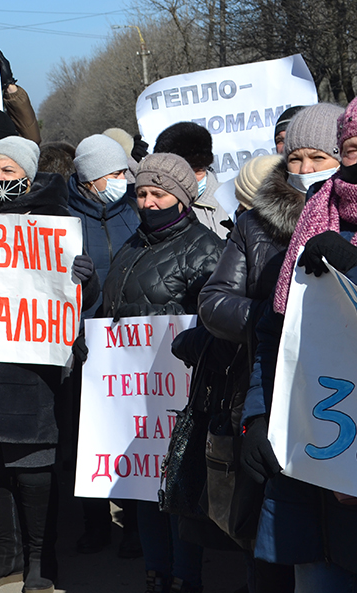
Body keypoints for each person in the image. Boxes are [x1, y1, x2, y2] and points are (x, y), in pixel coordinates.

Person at [0, 136, 97, 592]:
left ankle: (39, 558)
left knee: (31, 464)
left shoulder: (57, 222)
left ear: (28, 175)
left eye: (8, 172)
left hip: (33, 368)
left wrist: (83, 280)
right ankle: (6, 553)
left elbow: (84, 302)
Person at [240, 99, 357, 592]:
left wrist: (350, 269)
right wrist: (261, 414)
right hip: (316, 455)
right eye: (352, 148)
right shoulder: (316, 216)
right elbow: (275, 334)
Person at [101, 153, 225, 593]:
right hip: (133, 392)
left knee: (176, 487)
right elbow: (113, 309)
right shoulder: (132, 245)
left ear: (183, 197)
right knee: (142, 484)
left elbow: (215, 319)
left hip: (180, 388)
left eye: (160, 193)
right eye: (142, 193)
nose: (149, 202)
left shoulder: (206, 247)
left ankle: (185, 578)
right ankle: (156, 572)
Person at [66, 134, 142, 558]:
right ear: (92, 178)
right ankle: (94, 524)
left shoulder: (134, 210)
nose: (122, 180)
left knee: (129, 438)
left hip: (127, 344)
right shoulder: (63, 218)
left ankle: (133, 524)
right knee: (87, 440)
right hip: (83, 345)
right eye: (114, 174)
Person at [153, 122, 232, 238]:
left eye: (198, 171)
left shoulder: (232, 200)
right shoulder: (156, 206)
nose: (191, 180)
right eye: (183, 173)